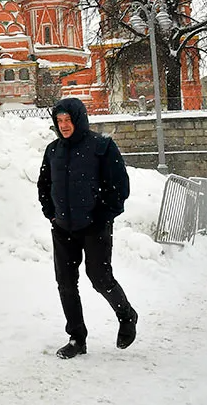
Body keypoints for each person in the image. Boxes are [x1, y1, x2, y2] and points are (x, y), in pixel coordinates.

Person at [37, 97, 137, 359]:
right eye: (59, 121)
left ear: (79, 119)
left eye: (68, 120)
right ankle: (76, 338)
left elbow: (119, 187)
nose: (64, 125)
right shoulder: (52, 150)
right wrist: (51, 214)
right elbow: (44, 185)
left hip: (95, 227)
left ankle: (126, 315)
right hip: (63, 228)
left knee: (100, 278)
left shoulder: (102, 147)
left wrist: (103, 216)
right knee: (66, 283)